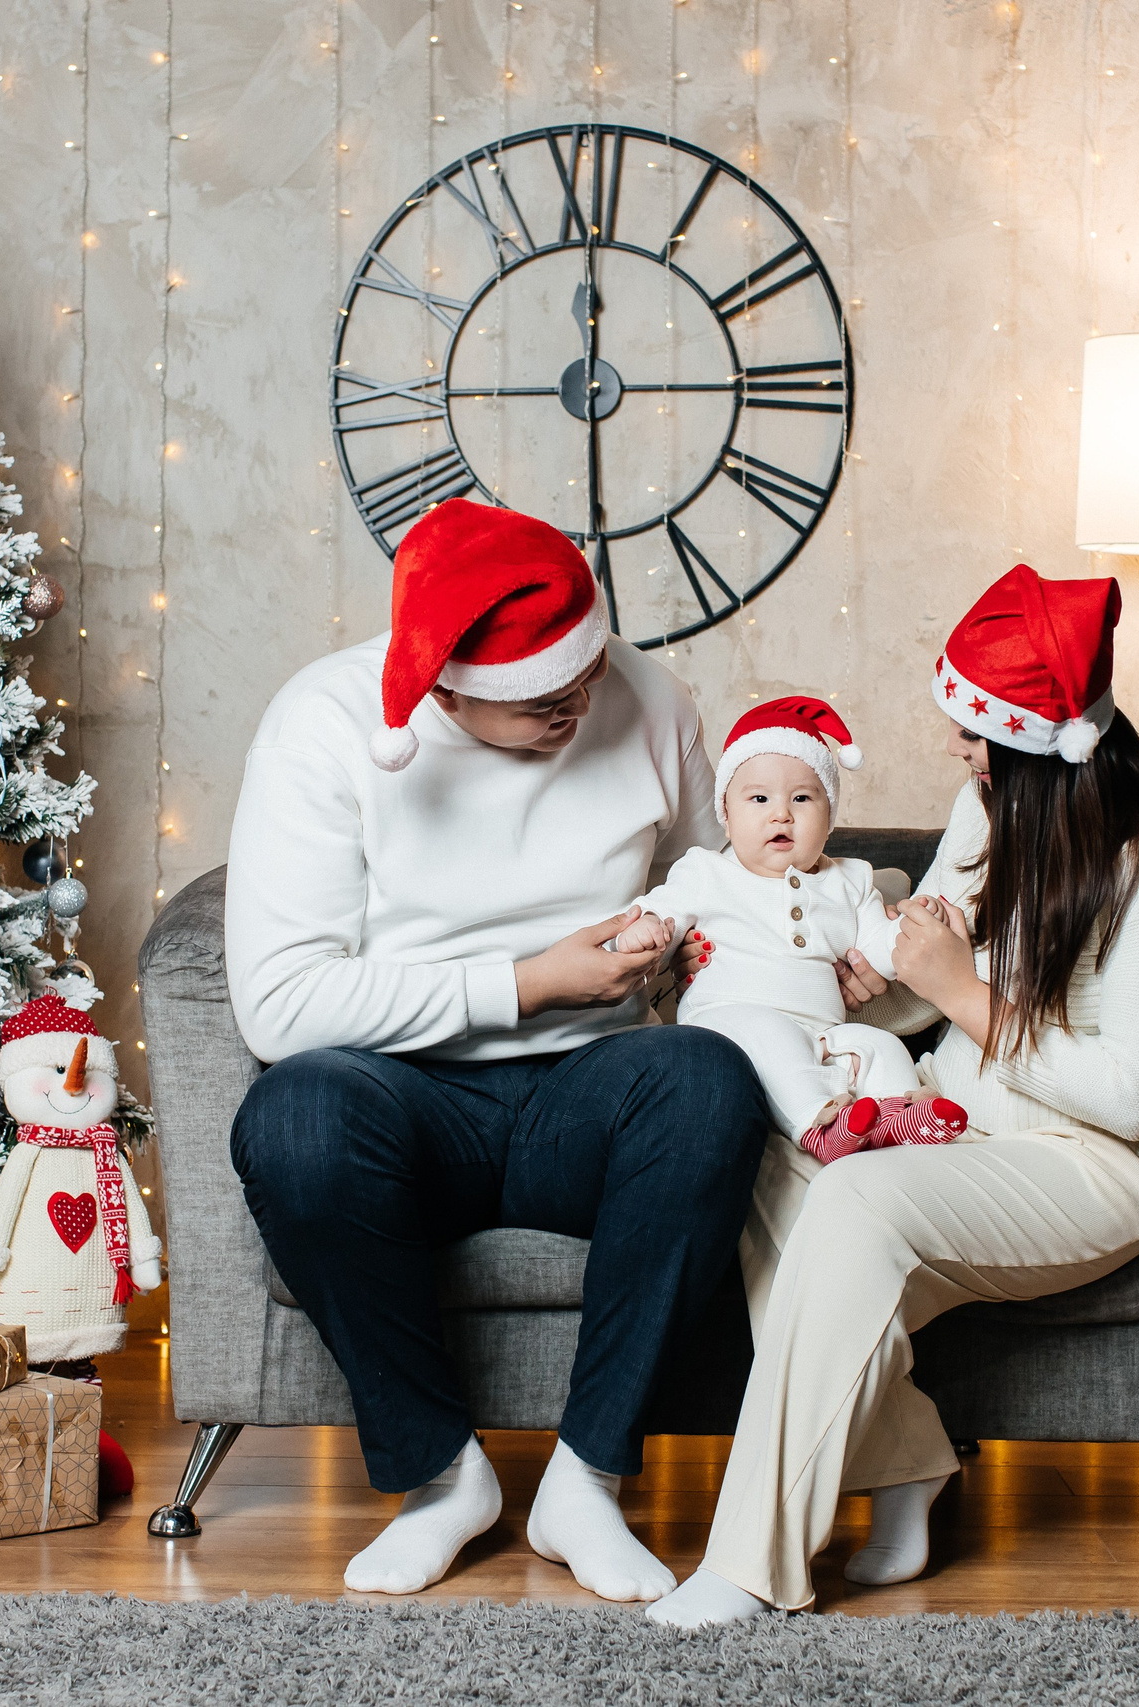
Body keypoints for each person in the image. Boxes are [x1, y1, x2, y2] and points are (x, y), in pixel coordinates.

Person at [648, 564, 1139, 1627]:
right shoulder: (985, 803)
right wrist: (860, 980)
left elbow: (1135, 1094)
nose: (956, 748)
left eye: (973, 732)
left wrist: (956, 991)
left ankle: (748, 1566)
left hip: (1096, 1163)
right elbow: (927, 971)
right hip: (957, 1123)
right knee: (767, 1157)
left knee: (856, 1197)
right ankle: (908, 1462)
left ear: (1039, 742)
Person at [225, 498, 768, 1603]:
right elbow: (279, 1006)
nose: (578, 707)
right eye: (537, 702)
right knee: (294, 1118)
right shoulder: (323, 724)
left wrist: (750, 951)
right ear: (440, 689)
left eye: (585, 675)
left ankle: (588, 1480)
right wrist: (525, 983)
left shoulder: (652, 700)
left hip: (591, 1089)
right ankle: (441, 1479)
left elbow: (718, 895)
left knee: (710, 1081)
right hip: (401, 1094)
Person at [612, 695, 967, 1162]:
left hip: (824, 1029)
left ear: (829, 817)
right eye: (759, 799)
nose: (781, 814)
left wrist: (913, 927)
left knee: (879, 1044)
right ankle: (818, 1125)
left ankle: (897, 1117)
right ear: (726, 816)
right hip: (731, 1018)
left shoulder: (851, 880)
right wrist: (648, 928)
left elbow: (878, 952)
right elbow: (664, 913)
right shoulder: (706, 871)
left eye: (801, 798)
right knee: (771, 1036)